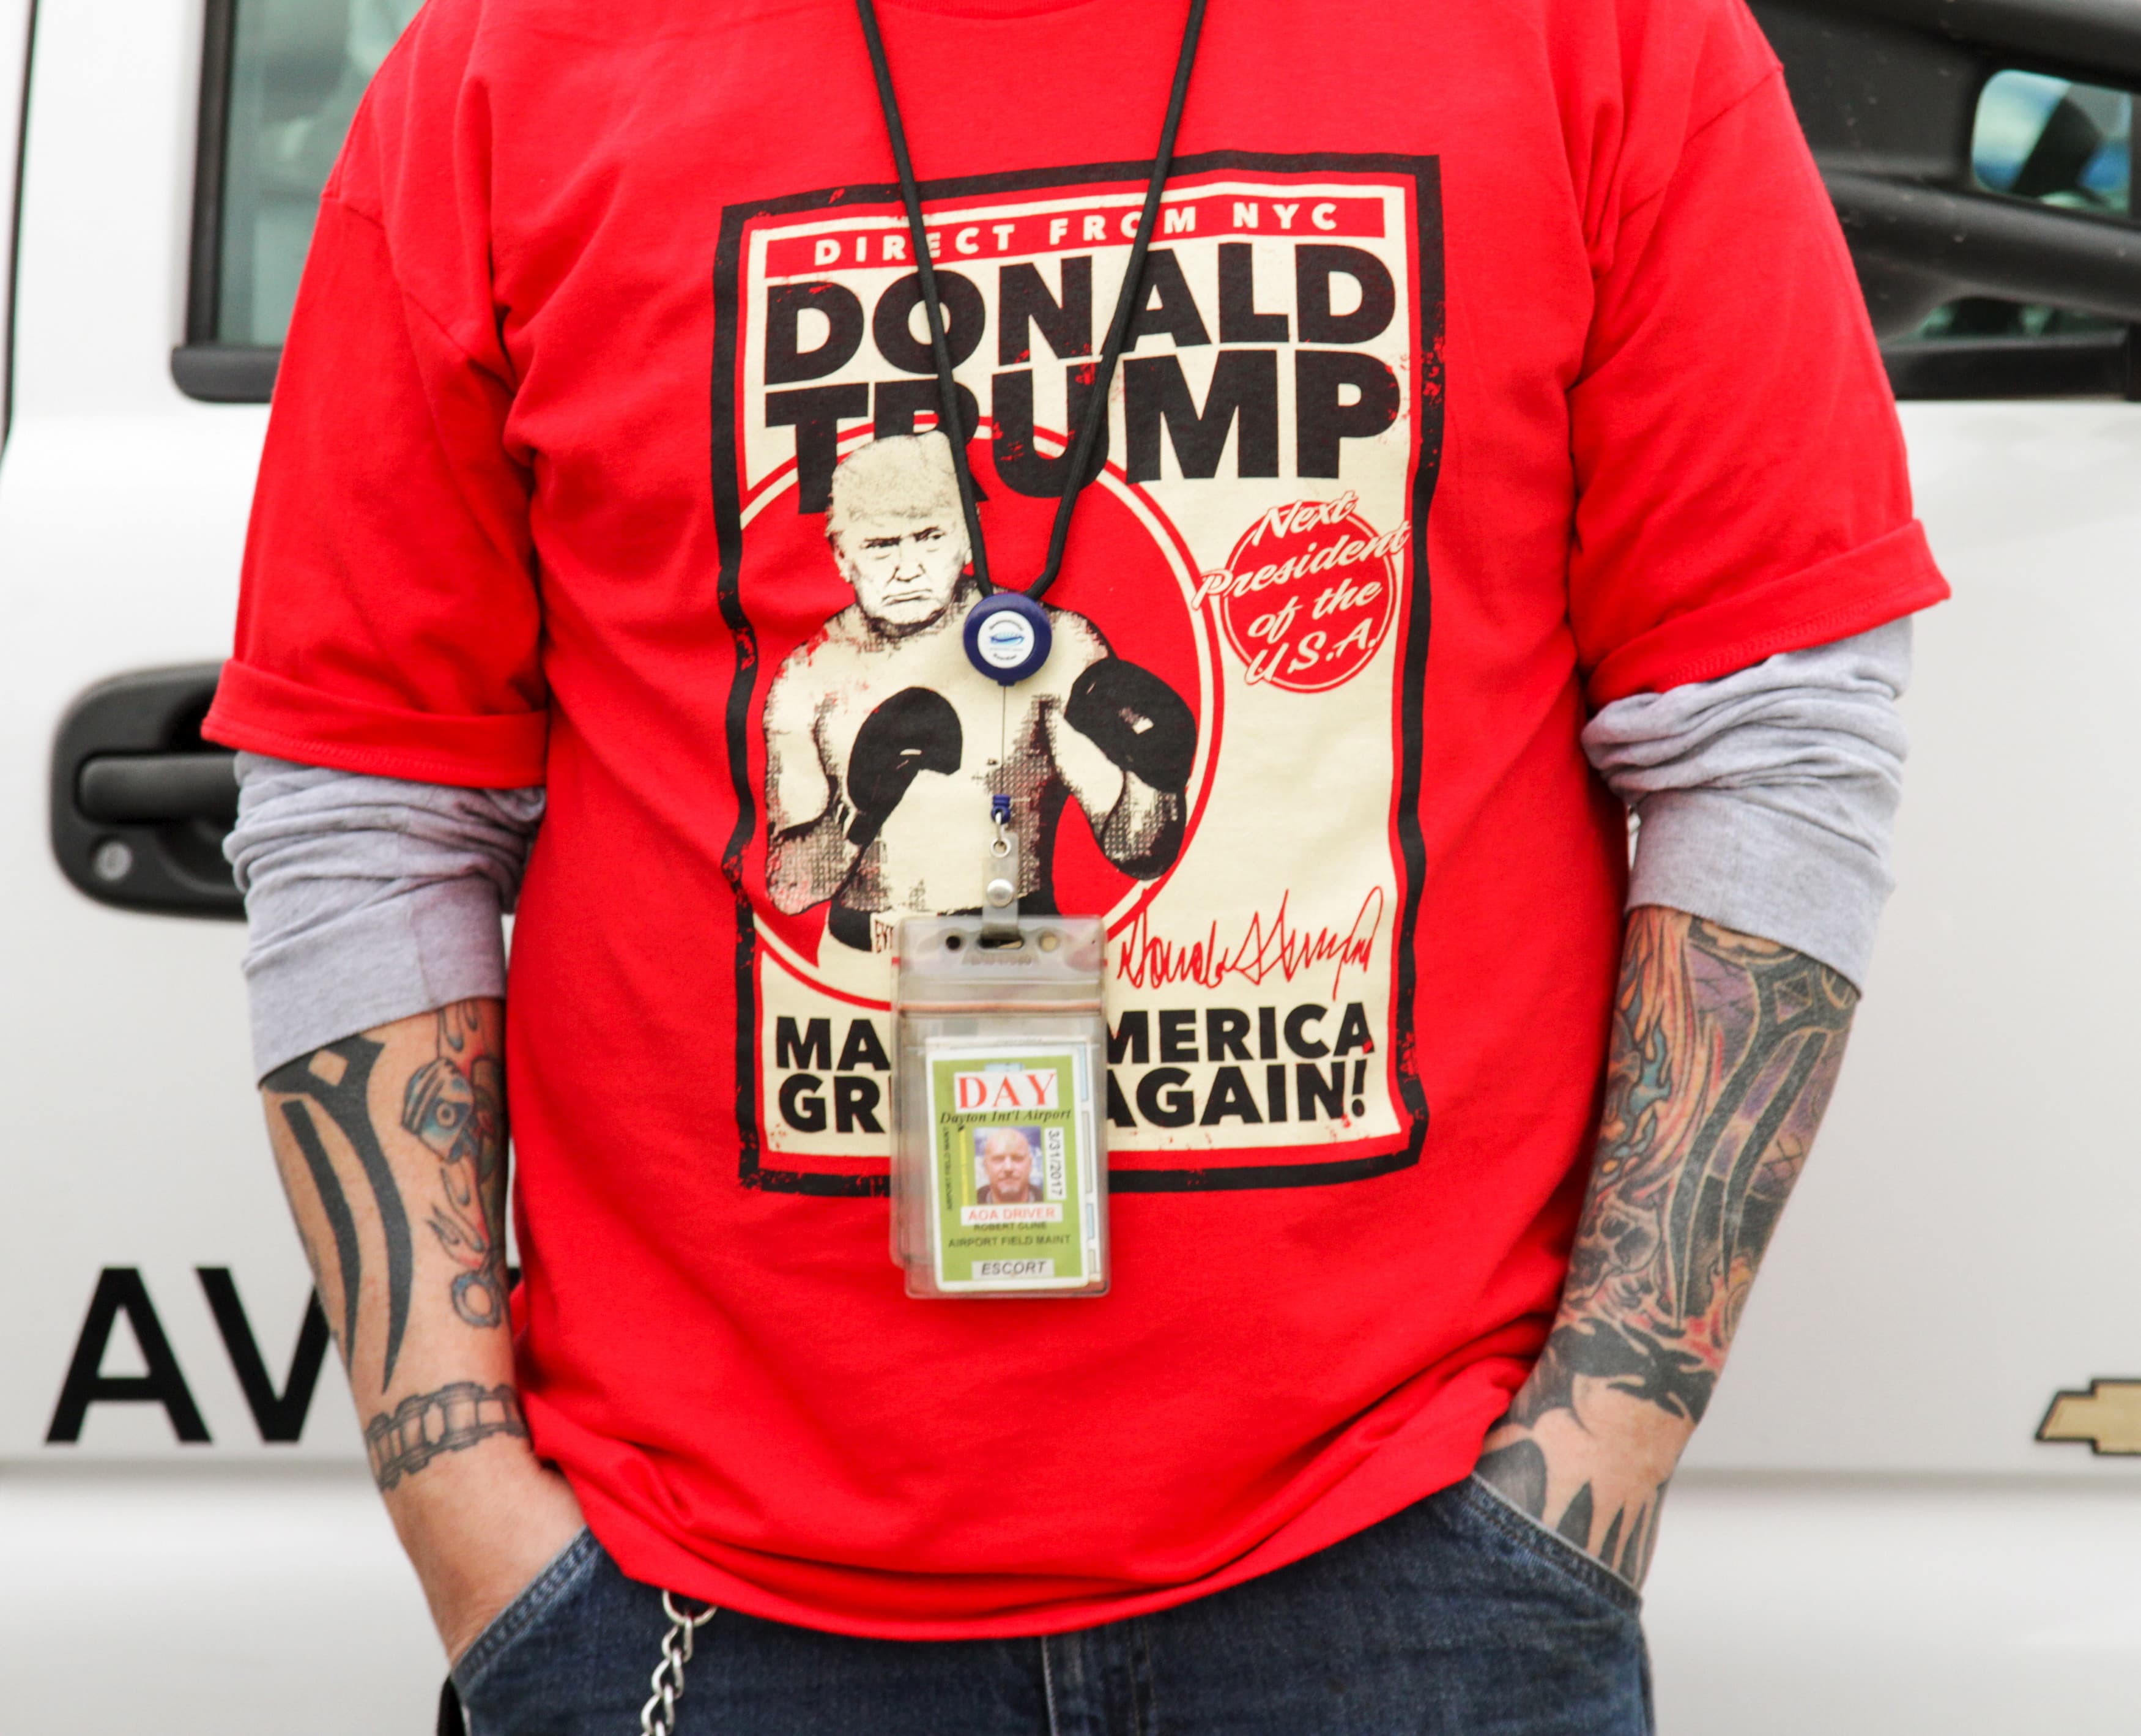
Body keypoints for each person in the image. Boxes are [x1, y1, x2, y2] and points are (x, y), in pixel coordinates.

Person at [206, 0, 1950, 1729]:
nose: (896, 563)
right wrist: (473, 1521)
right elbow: (370, 801)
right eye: (868, 537)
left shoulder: (1590, 32)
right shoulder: (515, 67)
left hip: (1410, 1555)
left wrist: (1590, 1458)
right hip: (701, 1593)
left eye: (923, 535)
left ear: (964, 536)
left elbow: (1771, 734)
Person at [764, 434, 1192, 955]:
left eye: (928, 537)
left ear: (967, 539)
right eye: (881, 545)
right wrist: (857, 810)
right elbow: (790, 891)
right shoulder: (809, 674)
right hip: (866, 956)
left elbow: (1137, 854)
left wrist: (1157, 777)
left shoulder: (1052, 646)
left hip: (1020, 945)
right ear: (840, 554)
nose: (907, 568)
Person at [976, 1129, 1044, 1205]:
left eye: (1017, 1158)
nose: (1008, 1168)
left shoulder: (1048, 1202)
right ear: (986, 1167)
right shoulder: (969, 1203)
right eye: (999, 1159)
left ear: (1030, 1165)